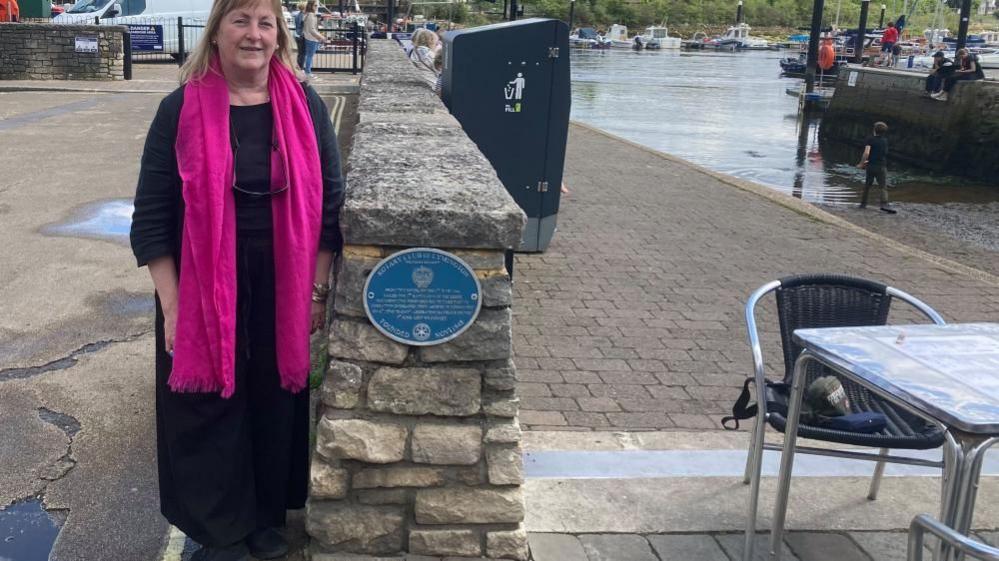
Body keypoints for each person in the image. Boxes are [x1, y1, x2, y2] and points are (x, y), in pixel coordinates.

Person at [129, 0, 345, 556]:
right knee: (207, 408)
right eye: (241, 21)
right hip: (201, 286)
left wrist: (317, 290)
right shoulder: (179, 109)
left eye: (265, 23)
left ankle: (266, 518)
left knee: (274, 399)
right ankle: (217, 528)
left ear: (279, 37)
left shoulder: (306, 106)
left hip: (285, 279)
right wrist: (173, 309)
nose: (254, 34)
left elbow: (331, 211)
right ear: (218, 33)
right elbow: (151, 214)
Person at [856, 121, 896, 214]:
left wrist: (861, 163)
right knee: (883, 187)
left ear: (874, 130)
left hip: (870, 166)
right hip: (881, 166)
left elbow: (866, 153)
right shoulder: (885, 141)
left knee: (867, 185)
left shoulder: (870, 139)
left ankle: (863, 204)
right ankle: (884, 204)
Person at [301, 0, 324, 80]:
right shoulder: (311, 15)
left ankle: (307, 71)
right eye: (315, 5)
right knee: (309, 56)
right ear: (311, 6)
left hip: (309, 37)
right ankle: (308, 72)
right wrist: (320, 37)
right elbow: (312, 29)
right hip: (311, 38)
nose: (317, 7)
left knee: (308, 56)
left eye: (317, 5)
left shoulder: (307, 14)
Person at [292, 1, 305, 69]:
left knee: (300, 53)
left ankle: (298, 67)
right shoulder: (302, 15)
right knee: (302, 53)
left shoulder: (297, 15)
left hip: (297, 34)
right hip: (300, 35)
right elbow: (302, 25)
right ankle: (300, 68)